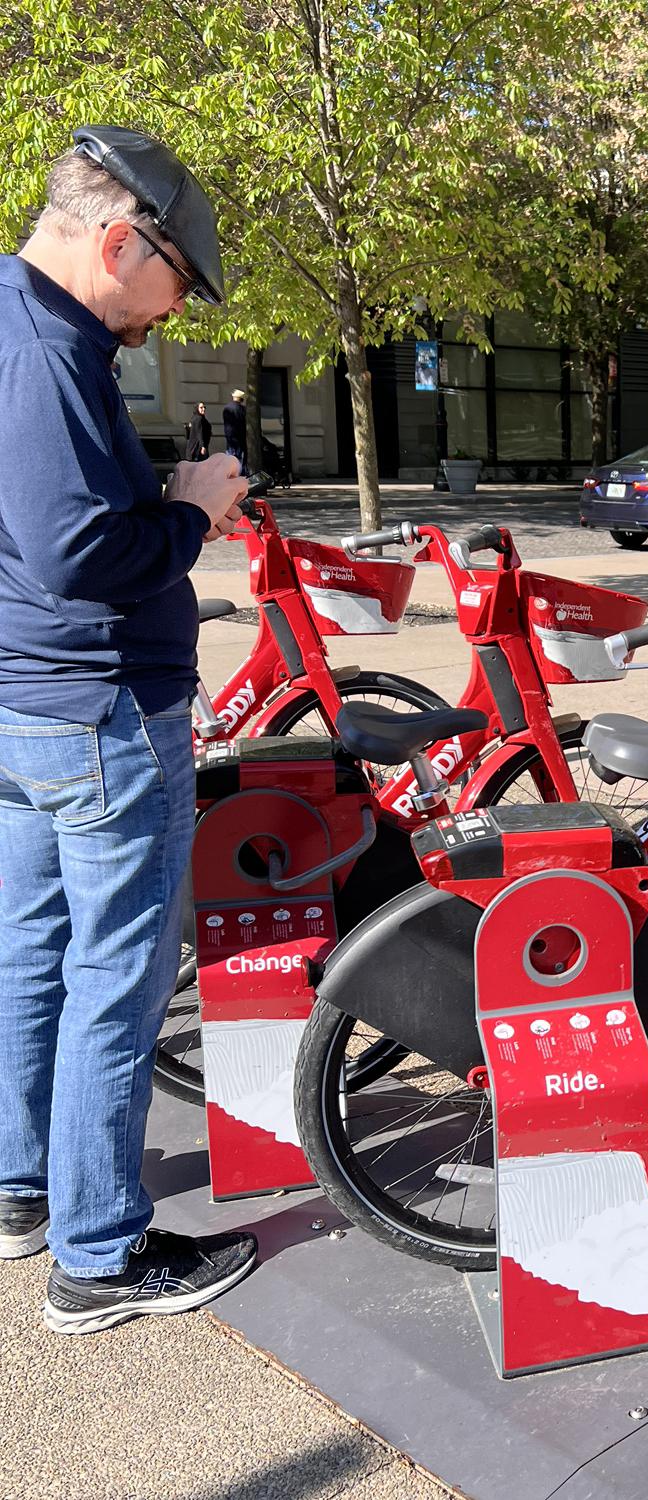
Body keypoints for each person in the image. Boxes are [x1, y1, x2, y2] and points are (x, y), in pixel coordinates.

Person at [0, 125, 257, 1334]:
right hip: (100, 710)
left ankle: (20, 1187)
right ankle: (98, 1257)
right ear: (120, 242)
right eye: (174, 285)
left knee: (33, 955)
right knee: (118, 977)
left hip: (23, 704)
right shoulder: (53, 348)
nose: (173, 315)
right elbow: (78, 552)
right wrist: (191, 511)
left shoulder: (13, 318)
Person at [222, 386, 246, 473]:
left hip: (230, 439)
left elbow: (227, 425)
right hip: (241, 439)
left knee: (230, 462)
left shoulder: (227, 408)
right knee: (240, 462)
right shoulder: (243, 409)